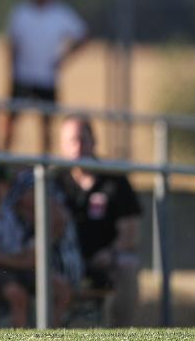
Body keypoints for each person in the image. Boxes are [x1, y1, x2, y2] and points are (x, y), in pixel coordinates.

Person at [55, 115, 141, 327]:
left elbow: (130, 232)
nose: (78, 147)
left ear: (94, 141)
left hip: (103, 259)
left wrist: (110, 253)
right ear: (62, 147)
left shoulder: (114, 180)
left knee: (128, 266)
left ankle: (121, 336)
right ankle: (42, 336)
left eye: (82, 139)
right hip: (62, 261)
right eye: (71, 141)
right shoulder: (54, 181)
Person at [0, 164, 71, 327]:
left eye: (0, 184)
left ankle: (50, 334)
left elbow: (18, 248)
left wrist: (32, 254)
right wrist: (25, 262)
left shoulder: (8, 215)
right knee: (17, 294)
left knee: (60, 288)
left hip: (12, 266)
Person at [2, 0, 87, 153]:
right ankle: (4, 159)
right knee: (11, 120)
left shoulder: (60, 13)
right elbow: (12, 43)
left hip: (47, 78)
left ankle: (45, 162)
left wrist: (64, 58)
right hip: (22, 76)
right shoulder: (21, 12)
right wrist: (11, 71)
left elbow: (83, 34)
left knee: (47, 123)